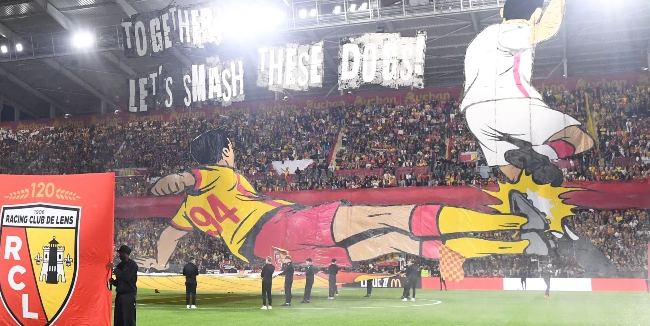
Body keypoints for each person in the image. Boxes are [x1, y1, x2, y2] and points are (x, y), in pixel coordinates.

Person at [140, 130, 540, 274]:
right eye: (231, 147)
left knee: (390, 241)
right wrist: (174, 179)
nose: (233, 152)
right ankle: (513, 224)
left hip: (265, 252)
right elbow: (194, 177)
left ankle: (518, 245)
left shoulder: (188, 210)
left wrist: (158, 263)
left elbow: (168, 238)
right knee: (388, 215)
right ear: (225, 151)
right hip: (280, 225)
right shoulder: (220, 172)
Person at [461, 0, 592, 186]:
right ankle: (542, 154)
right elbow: (546, 29)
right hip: (510, 105)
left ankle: (524, 192)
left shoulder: (480, 39)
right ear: (536, 14)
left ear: (502, 11)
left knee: (512, 172)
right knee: (580, 139)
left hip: (475, 115)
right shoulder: (512, 31)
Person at [110, 245, 138, 326]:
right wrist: (114, 282)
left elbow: (126, 277)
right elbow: (120, 281)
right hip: (120, 294)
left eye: (120, 253)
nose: (119, 255)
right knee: (118, 320)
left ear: (125, 254)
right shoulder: (120, 265)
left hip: (129, 295)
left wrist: (114, 269)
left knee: (129, 319)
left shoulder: (133, 265)